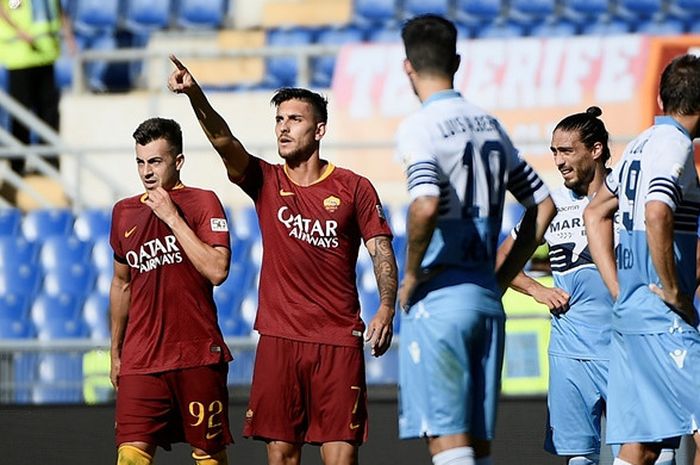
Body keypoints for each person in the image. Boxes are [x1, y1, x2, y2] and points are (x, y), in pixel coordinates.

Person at [168, 56, 398, 465]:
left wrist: (385, 307)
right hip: (279, 338)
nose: (284, 127)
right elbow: (224, 141)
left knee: (341, 458)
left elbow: (380, 248)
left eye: (294, 118)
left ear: (320, 129)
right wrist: (195, 95)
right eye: (279, 119)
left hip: (337, 339)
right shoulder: (265, 180)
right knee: (281, 457)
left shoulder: (354, 187)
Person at [396, 14, 554, 465]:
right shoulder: (489, 125)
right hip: (486, 299)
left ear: (408, 67)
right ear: (457, 61)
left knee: (447, 441)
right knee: (476, 444)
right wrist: (501, 275)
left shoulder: (420, 126)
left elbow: (425, 203)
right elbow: (543, 205)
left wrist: (410, 277)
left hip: (441, 298)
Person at [498, 107, 676, 465]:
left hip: (628, 348)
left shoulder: (631, 197)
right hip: (570, 355)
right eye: (554, 152)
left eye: (567, 151)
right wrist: (538, 289)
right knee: (579, 457)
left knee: (654, 454)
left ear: (595, 150)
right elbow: (502, 262)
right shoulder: (552, 207)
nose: (558, 161)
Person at [585, 54, 700, 465]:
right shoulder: (675, 144)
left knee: (641, 447)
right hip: (663, 318)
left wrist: (620, 289)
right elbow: (656, 212)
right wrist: (672, 289)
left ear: (661, 95)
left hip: (632, 316)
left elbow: (594, 212)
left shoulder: (640, 143)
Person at [109, 117, 233, 465]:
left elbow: (217, 270)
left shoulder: (203, 202)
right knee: (130, 457)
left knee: (208, 457)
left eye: (156, 161)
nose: (147, 171)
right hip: (141, 359)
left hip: (196, 354)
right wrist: (116, 351)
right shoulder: (124, 212)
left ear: (177, 161)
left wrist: (172, 218)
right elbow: (122, 283)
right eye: (140, 161)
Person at [0, 0, 74, 202]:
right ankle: (17, 168)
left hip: (46, 53)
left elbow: (58, 9)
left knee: (49, 114)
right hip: (20, 56)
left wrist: (68, 35)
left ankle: (50, 165)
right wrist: (18, 31)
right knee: (20, 117)